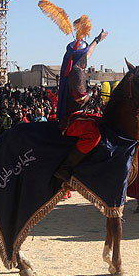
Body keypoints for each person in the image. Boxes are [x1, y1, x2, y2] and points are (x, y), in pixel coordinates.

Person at [54, 29, 108, 182]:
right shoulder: (77, 73)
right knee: (94, 135)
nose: (87, 57)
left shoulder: (75, 66)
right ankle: (66, 167)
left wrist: (97, 40)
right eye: (84, 55)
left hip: (77, 114)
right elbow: (81, 100)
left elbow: (88, 52)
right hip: (73, 118)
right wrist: (93, 94)